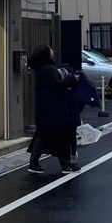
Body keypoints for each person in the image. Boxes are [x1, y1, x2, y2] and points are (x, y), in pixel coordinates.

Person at [27, 45, 78, 175]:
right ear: (46, 54)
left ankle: (34, 163)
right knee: (61, 136)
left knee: (43, 135)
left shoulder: (40, 69)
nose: (53, 51)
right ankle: (66, 165)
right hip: (53, 109)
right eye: (50, 50)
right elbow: (57, 86)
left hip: (43, 109)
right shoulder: (49, 69)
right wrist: (72, 79)